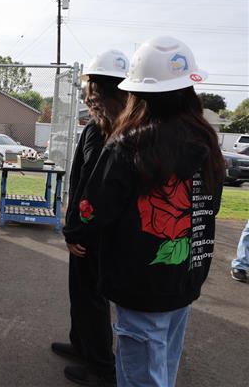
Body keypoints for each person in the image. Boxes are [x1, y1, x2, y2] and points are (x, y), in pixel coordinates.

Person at [76, 36, 225, 386]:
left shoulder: (129, 144)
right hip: (184, 280)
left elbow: (93, 210)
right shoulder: (206, 142)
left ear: (138, 93)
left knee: (141, 375)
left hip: (139, 285)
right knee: (163, 370)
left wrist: (79, 228)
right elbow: (211, 206)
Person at [58, 50, 130, 387]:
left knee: (91, 297)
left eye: (93, 91)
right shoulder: (102, 127)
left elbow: (95, 190)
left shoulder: (109, 133)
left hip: (92, 234)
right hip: (88, 229)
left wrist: (75, 230)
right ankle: (81, 345)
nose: (89, 98)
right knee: (80, 291)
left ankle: (100, 366)